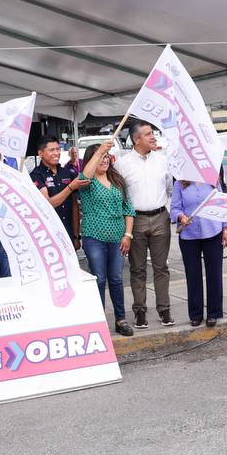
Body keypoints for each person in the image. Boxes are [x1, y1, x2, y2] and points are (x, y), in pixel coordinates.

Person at [114, 121, 173, 328]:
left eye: (153, 133)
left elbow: (169, 188)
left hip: (159, 217)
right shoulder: (122, 164)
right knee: (137, 269)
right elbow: (120, 194)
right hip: (135, 220)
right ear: (136, 139)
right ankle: (139, 311)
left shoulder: (162, 160)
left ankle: (164, 310)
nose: (153, 137)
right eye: (148, 134)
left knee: (161, 267)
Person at [76, 142, 134, 336]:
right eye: (101, 156)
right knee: (99, 279)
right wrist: (99, 151)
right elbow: (84, 175)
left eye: (107, 155)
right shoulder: (88, 182)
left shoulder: (118, 181)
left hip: (118, 237)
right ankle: (99, 321)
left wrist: (127, 235)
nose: (105, 158)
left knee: (116, 279)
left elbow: (129, 209)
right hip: (95, 237)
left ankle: (121, 319)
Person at [171, 179, 227, 328]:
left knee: (214, 274)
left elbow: (222, 204)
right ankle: (195, 314)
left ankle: (213, 313)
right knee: (193, 276)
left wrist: (226, 229)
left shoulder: (212, 180)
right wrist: (181, 217)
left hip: (213, 231)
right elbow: (174, 208)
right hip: (189, 235)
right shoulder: (179, 183)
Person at [30, 137, 86, 245]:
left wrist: (76, 236)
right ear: (40, 153)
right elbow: (48, 203)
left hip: (68, 232)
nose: (56, 153)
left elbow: (74, 206)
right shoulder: (36, 175)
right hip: (49, 235)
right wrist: (70, 187)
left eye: (58, 149)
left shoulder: (67, 172)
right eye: (52, 150)